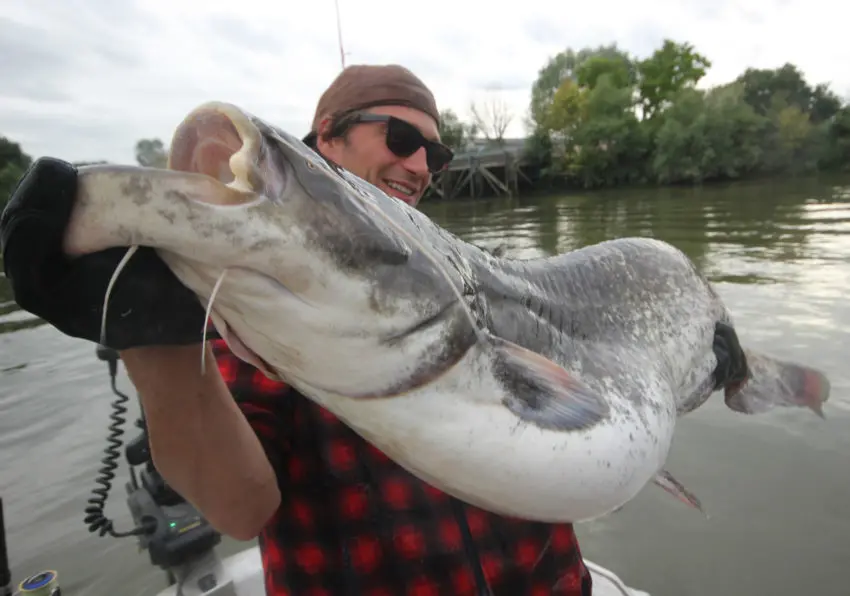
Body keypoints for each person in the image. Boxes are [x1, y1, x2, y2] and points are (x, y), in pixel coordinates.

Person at [0, 63, 747, 596]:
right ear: (325, 138)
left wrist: (692, 366)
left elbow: (597, 419)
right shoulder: (247, 320)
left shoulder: (496, 275)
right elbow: (237, 510)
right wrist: (153, 342)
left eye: (437, 151)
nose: (421, 163)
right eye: (398, 137)